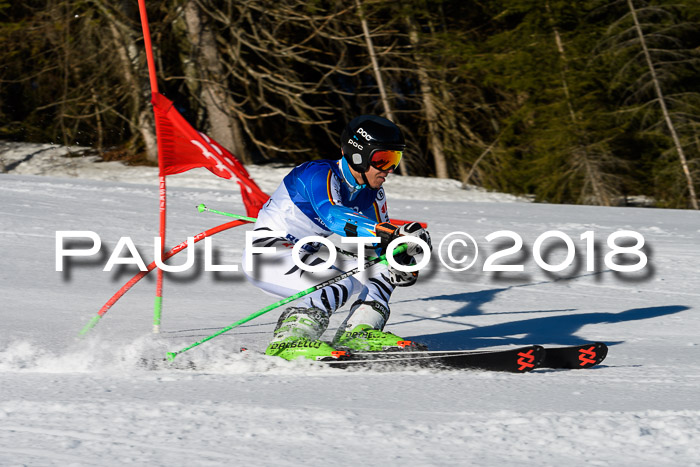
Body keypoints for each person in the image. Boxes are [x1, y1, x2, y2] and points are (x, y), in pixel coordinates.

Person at [242, 115, 431, 361]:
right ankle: (288, 340)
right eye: (382, 160)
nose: (389, 170)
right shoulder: (318, 174)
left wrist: (401, 254)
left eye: (395, 159)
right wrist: (389, 234)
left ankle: (359, 332)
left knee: (379, 269)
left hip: (304, 255)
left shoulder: (372, 192)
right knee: (336, 280)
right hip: (267, 255)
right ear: (358, 155)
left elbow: (379, 243)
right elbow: (334, 216)